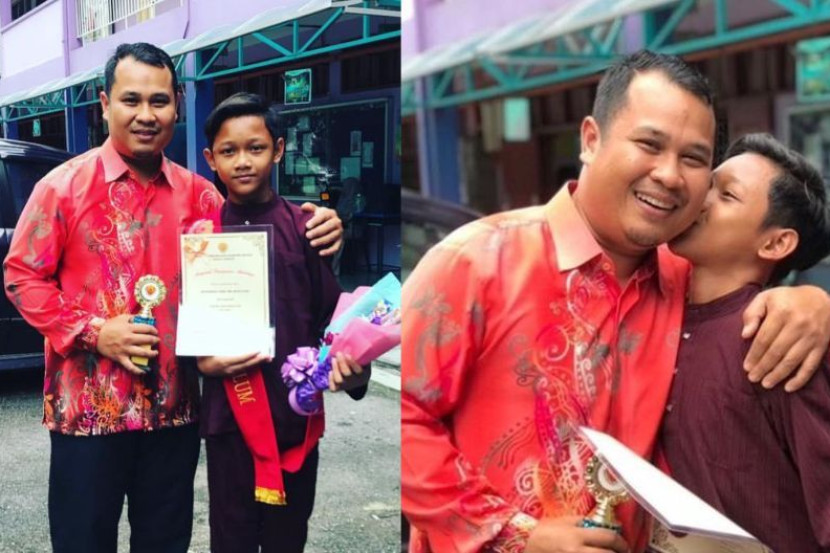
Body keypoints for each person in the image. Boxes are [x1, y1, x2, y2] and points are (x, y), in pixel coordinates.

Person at [401, 50, 830, 553]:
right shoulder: (477, 260)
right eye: (650, 144)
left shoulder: (685, 281)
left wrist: (816, 304)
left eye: (694, 159)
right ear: (590, 139)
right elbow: (405, 416)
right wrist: (515, 534)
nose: (669, 175)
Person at [2, 43, 342, 553]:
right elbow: (21, 275)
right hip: (86, 415)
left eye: (159, 101)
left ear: (177, 106)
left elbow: (259, 234)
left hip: (174, 413)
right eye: (131, 100)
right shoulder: (62, 188)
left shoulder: (201, 195)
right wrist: (95, 332)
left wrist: (323, 224)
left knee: (165, 543)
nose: (146, 114)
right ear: (105, 104)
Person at [195, 92, 371, 553]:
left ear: (277, 149)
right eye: (229, 151)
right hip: (229, 420)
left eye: (255, 148)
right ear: (211, 159)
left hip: (294, 418)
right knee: (229, 538)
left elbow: (332, 321)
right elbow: (187, 326)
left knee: (288, 538)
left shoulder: (307, 229)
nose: (243, 161)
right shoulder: (201, 237)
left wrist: (354, 369)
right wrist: (200, 362)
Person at [658, 133, 830, 552]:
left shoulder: (779, 341)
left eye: (727, 195)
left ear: (775, 243)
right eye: (708, 183)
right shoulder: (650, 312)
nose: (698, 197)